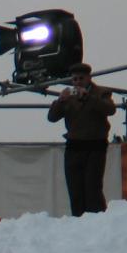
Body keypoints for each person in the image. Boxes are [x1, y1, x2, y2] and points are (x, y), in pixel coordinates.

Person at [47, 62, 117, 217]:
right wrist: (61, 101)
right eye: (75, 79)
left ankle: (97, 219)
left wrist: (88, 98)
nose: (78, 82)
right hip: (74, 146)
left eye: (81, 78)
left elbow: (110, 109)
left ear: (88, 78)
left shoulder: (101, 93)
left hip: (95, 146)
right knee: (75, 188)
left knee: (92, 187)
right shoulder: (68, 96)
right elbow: (51, 117)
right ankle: (78, 221)